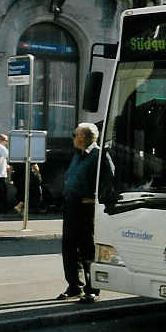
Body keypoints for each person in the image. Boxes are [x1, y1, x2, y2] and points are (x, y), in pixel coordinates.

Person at [58, 122, 113, 304]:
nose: (74, 138)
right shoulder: (78, 155)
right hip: (71, 206)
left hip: (86, 208)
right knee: (69, 248)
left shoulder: (99, 155)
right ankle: (74, 285)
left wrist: (96, 200)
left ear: (85, 137)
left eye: (76, 134)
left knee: (87, 248)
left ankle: (92, 288)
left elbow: (109, 178)